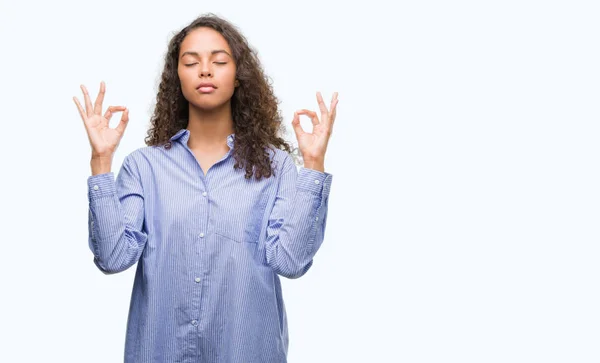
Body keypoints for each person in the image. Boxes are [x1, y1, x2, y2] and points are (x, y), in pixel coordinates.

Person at [73, 13, 338, 363]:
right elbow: (112, 257)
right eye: (191, 61)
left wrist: (314, 165)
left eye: (219, 61)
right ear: (177, 77)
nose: (205, 70)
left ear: (238, 76)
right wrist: (101, 161)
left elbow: (290, 261)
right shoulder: (144, 167)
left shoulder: (276, 167)